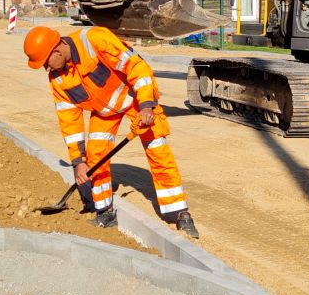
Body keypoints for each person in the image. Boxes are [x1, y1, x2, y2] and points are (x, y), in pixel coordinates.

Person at [24, 25, 199, 238]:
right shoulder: (58, 78)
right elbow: (69, 120)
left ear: (57, 52)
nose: (46, 69)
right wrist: (78, 162)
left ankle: (178, 212)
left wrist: (146, 105)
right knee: (95, 155)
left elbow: (137, 67)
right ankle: (105, 211)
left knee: (157, 148)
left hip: (136, 100)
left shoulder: (94, 39)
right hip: (104, 112)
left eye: (45, 63)